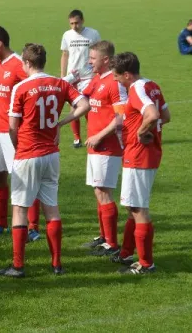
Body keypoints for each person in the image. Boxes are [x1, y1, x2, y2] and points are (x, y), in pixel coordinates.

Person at [0, 43, 89, 278]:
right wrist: (61, 123)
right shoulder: (60, 84)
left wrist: (18, 148)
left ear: (26, 63)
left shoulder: (22, 88)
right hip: (51, 155)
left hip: (28, 154)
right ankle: (57, 264)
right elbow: (84, 105)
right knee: (52, 209)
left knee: (19, 209)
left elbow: (12, 127)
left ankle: (18, 266)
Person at [110, 52, 171, 274]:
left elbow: (154, 115)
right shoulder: (151, 84)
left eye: (117, 77)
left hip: (139, 156)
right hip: (150, 153)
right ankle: (126, 253)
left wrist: (141, 132)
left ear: (127, 74)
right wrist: (149, 130)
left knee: (138, 208)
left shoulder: (136, 89)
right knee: (132, 206)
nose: (116, 81)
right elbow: (166, 116)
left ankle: (146, 264)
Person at [0, 25, 37, 239]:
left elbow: (34, 90)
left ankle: (32, 227)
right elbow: (0, 86)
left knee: (23, 179)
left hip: (15, 131)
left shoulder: (19, 65)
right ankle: (1, 224)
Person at [81, 41, 127, 256]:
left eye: (93, 58)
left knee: (104, 192)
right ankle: (104, 236)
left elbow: (120, 117)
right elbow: (83, 98)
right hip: (95, 146)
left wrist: (99, 135)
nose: (89, 61)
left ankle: (112, 244)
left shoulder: (115, 83)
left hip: (107, 146)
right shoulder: (97, 78)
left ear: (106, 59)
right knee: (98, 191)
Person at [60, 9, 101, 148]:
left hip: (88, 76)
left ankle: (92, 134)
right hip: (72, 77)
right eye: (71, 23)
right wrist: (63, 75)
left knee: (88, 108)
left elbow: (98, 54)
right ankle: (77, 139)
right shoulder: (67, 35)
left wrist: (98, 72)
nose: (74, 26)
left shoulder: (93, 34)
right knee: (74, 108)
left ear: (82, 20)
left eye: (76, 23)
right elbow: (65, 55)